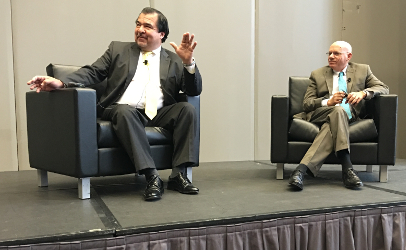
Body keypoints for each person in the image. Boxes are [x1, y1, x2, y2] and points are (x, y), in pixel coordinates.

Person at [27, 7, 202, 201]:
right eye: (138, 24)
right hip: (122, 110)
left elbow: (193, 91)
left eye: (147, 26)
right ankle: (152, 177)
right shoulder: (118, 50)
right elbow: (93, 72)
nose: (140, 29)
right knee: (125, 111)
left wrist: (189, 64)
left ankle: (179, 175)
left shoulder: (176, 59)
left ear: (161, 34)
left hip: (159, 112)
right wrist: (61, 82)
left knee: (187, 109)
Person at [288, 41, 389, 190]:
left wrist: (363, 93)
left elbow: (383, 88)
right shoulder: (317, 74)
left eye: (336, 53)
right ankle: (347, 168)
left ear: (348, 56)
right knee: (337, 110)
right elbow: (307, 104)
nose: (331, 56)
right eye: (329, 53)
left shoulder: (363, 70)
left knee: (337, 116)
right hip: (321, 113)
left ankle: (300, 171)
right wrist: (328, 102)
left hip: (349, 115)